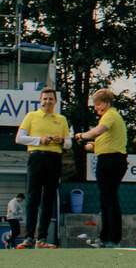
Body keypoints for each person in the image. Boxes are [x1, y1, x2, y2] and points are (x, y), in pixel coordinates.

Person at [15, 86, 69, 249]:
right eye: (44, 99)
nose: (47, 101)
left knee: (48, 198)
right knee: (33, 197)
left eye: (50, 99)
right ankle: (29, 237)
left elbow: (68, 143)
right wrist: (40, 140)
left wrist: (61, 141)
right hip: (36, 157)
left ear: (55, 101)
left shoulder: (62, 119)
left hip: (54, 159)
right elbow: (20, 138)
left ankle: (43, 238)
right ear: (40, 101)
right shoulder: (31, 116)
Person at [75, 89, 127, 249]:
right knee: (106, 200)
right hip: (110, 159)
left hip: (110, 161)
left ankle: (113, 239)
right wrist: (93, 146)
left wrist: (82, 135)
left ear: (107, 103)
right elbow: (106, 140)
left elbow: (98, 131)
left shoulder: (109, 115)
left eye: (98, 104)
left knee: (109, 200)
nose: (96, 107)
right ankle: (105, 238)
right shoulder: (111, 117)